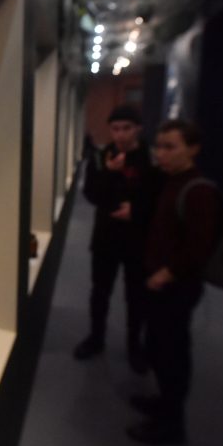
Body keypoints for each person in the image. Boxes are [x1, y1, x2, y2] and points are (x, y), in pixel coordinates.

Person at [127, 119, 219, 445]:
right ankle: (164, 403)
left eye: (170, 147)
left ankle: (171, 423)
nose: (161, 154)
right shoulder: (173, 181)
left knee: (172, 354)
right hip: (161, 284)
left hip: (175, 288)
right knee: (159, 347)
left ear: (193, 149)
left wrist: (166, 273)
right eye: (159, 146)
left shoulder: (199, 190)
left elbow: (200, 246)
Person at [73, 105, 162, 374]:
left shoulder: (152, 158)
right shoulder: (101, 157)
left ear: (138, 129)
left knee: (136, 295)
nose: (120, 134)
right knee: (100, 291)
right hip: (106, 236)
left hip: (139, 237)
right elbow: (90, 195)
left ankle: (134, 347)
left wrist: (137, 211)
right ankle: (96, 338)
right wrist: (109, 172)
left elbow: (161, 198)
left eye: (126, 128)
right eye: (115, 129)